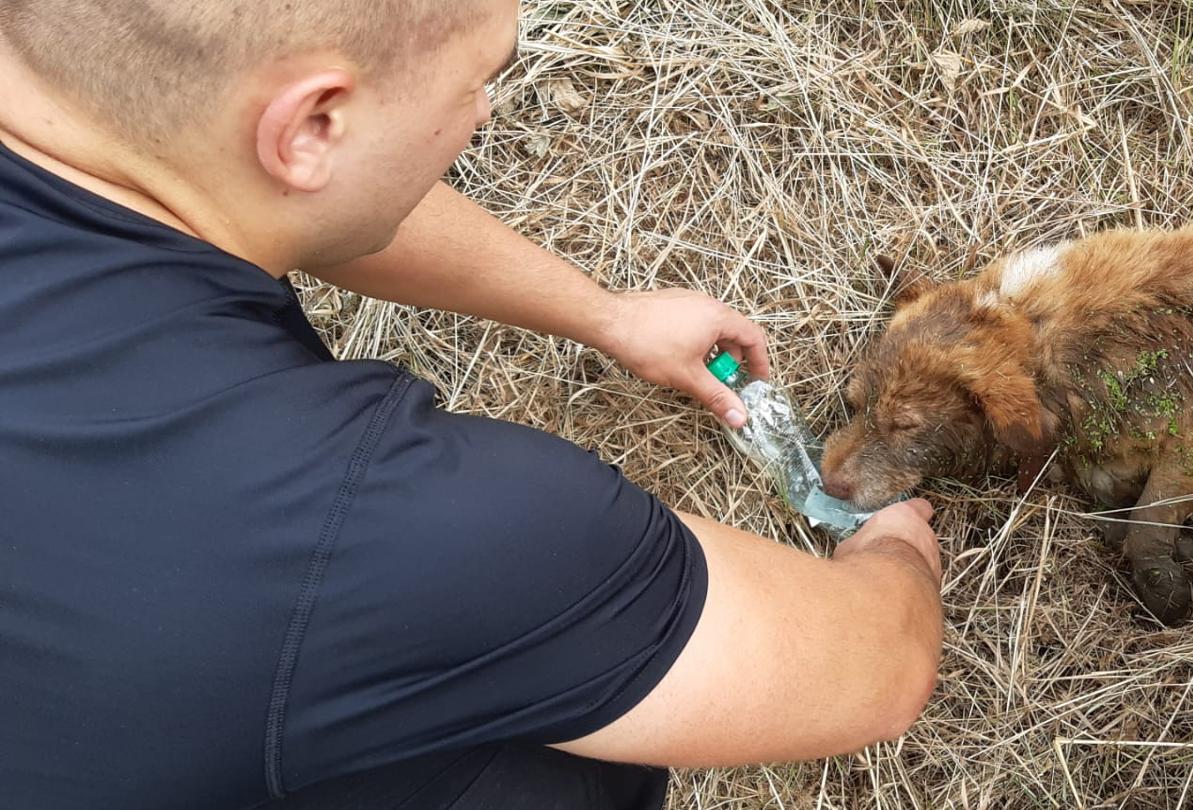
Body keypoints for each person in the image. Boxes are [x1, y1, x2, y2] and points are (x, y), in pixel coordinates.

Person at [0, 1, 945, 808]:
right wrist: (894, 547)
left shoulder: (78, 116)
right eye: (478, 79)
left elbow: (285, 195)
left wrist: (605, 315)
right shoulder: (392, 523)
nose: (486, 110)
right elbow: (874, 672)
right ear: (312, 127)